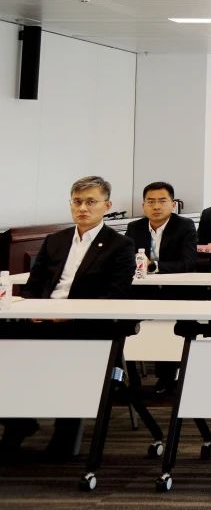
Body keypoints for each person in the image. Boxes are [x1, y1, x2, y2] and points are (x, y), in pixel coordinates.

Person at [2, 176, 136, 458]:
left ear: (107, 206)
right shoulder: (56, 240)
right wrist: (35, 310)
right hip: (44, 319)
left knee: (69, 354)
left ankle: (65, 432)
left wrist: (70, 315)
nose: (83, 208)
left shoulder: (120, 245)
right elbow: (32, 286)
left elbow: (116, 294)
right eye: (77, 202)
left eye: (91, 202)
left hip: (84, 324)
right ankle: (18, 421)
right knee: (7, 345)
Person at [125, 181, 197, 274]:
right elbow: (125, 258)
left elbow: (188, 263)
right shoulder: (134, 227)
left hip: (174, 281)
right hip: (141, 281)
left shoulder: (185, 226)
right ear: (143, 206)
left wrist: (152, 266)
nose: (156, 207)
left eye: (162, 201)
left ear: (173, 205)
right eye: (150, 202)